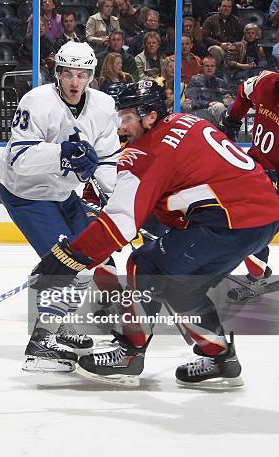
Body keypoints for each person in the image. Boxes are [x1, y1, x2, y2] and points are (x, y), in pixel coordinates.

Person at [31, 80, 279, 388]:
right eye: (118, 117)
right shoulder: (184, 120)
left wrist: (69, 258)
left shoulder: (148, 152)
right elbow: (189, 184)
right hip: (260, 214)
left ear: (150, 117)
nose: (120, 126)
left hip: (229, 220)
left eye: (127, 118)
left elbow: (121, 221)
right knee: (181, 287)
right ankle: (220, 358)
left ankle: (128, 353)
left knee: (146, 266)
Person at [0, 42, 121, 373]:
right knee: (69, 264)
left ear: (91, 76)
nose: (75, 82)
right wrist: (62, 154)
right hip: (26, 193)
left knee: (95, 254)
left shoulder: (104, 106)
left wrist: (117, 201)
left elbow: (107, 160)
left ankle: (61, 327)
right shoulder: (36, 102)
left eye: (81, 75)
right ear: (58, 73)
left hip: (63, 194)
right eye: (68, 74)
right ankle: (40, 344)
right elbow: (19, 158)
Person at [219, 71, 278, 301]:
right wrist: (232, 120)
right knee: (248, 224)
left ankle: (257, 269)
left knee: (250, 223)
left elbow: (244, 92)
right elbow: (244, 93)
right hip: (255, 170)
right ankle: (257, 271)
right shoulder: (267, 82)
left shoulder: (268, 81)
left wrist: (233, 119)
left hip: (260, 174)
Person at [185, 55, 231, 125]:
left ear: (215, 68)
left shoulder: (221, 82)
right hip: (200, 112)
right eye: (207, 66)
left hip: (218, 112)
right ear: (202, 67)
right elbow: (191, 101)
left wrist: (228, 100)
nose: (209, 68)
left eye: (212, 66)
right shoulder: (195, 80)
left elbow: (227, 100)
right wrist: (208, 104)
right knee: (219, 107)